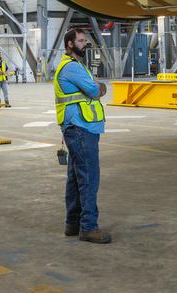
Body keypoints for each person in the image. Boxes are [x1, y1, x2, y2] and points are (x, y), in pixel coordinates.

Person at [54, 28, 110, 244]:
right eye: (80, 40)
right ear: (70, 44)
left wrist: (95, 87)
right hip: (81, 128)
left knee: (76, 177)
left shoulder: (76, 66)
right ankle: (88, 227)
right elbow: (95, 91)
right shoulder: (72, 68)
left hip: (79, 127)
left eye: (85, 40)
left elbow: (91, 89)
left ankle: (73, 223)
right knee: (88, 176)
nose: (85, 43)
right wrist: (100, 87)